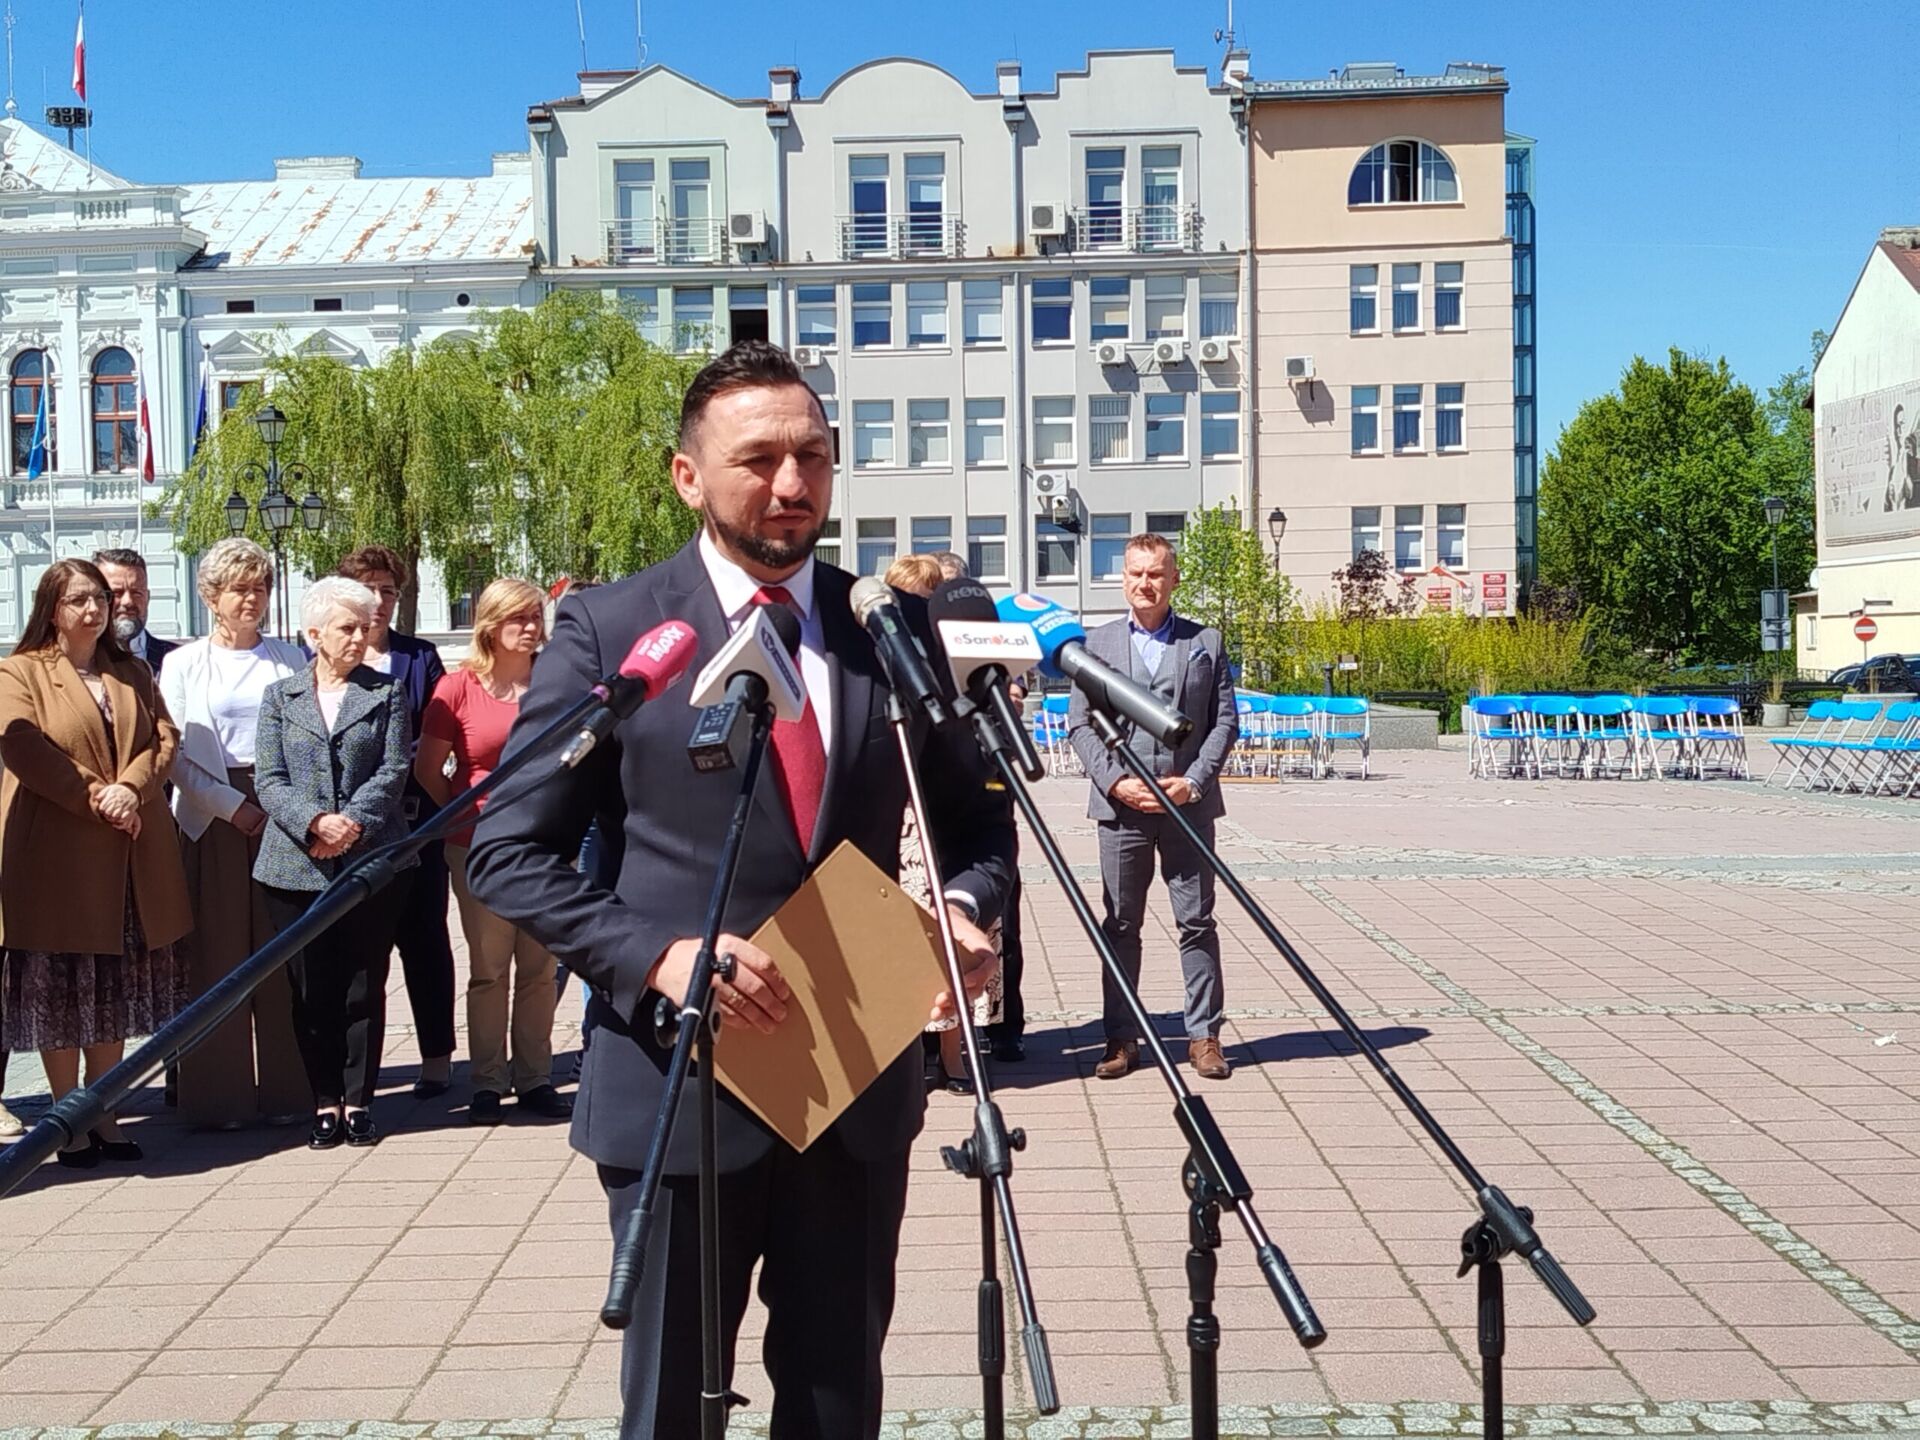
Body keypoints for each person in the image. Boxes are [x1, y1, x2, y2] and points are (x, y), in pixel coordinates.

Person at [467, 340, 1013, 1439]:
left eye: (812, 456)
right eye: (758, 459)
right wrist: (658, 957)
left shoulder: (888, 628)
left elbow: (978, 822)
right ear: (688, 476)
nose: (791, 482)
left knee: (837, 1403)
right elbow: (509, 851)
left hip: (854, 1080)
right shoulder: (612, 630)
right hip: (679, 1085)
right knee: (673, 1409)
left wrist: (963, 909)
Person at [0, 559, 193, 1167]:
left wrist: (131, 790)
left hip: (131, 853)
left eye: (101, 599)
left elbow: (163, 738)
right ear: (51, 608)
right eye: (79, 600)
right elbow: (25, 748)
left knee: (112, 986)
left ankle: (104, 1111)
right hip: (59, 856)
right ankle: (67, 1120)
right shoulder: (20, 671)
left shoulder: (131, 669)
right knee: (63, 989)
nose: (94, 610)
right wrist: (98, 798)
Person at [1067, 532, 1239, 1082]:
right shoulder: (1095, 644)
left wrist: (1194, 782)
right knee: (1120, 924)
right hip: (1123, 811)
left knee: (1197, 921)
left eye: (1156, 574)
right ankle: (1121, 1038)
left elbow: (1225, 722)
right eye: (1137, 573)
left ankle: (1204, 1036)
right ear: (1123, 578)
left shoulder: (1205, 641)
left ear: (1174, 579)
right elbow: (1079, 725)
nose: (1146, 583)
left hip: (1188, 808)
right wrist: (1116, 782)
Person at [252, 577, 413, 1150]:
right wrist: (315, 822)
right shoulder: (281, 697)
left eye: (365, 627)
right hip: (294, 867)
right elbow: (269, 778)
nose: (359, 637)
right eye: (347, 627)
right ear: (314, 634)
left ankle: (359, 1100)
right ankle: (324, 1101)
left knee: (363, 984)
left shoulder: (387, 692)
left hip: (369, 861)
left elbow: (393, 770)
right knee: (309, 988)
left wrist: (350, 826)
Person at [159, 537, 310, 1129]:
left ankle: (291, 1094)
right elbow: (172, 753)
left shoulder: (289, 659)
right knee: (215, 959)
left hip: (282, 814)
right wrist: (229, 806)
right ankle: (217, 1101)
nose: (253, 599)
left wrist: (281, 806)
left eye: (261, 587)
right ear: (211, 596)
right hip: (212, 819)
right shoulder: (183, 664)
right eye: (240, 589)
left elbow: (307, 737)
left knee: (282, 956)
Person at [415, 577, 570, 1125]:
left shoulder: (557, 680)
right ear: (490, 624)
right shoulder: (457, 687)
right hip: (478, 846)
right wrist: (463, 817)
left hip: (546, 842)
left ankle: (535, 1078)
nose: (530, 627)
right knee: (488, 967)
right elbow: (427, 770)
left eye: (535, 617)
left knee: (540, 966)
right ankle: (486, 1081)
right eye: (518, 618)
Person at [337, 545, 456, 1098]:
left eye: (388, 590)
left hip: (414, 819)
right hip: (349, 824)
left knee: (425, 937)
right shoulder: (328, 657)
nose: (380, 600)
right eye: (369, 590)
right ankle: (360, 1073)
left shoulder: (419, 657)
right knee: (361, 950)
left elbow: (434, 732)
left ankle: (436, 1059)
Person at [884, 552, 1001, 1095]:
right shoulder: (877, 665)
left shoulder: (960, 676)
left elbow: (988, 818)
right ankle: (908, 1055)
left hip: (946, 830)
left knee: (949, 941)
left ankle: (955, 1057)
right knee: (904, 942)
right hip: (896, 828)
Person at [93, 548, 177, 674]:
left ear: (147, 598)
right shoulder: (79, 662)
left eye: (136, 593)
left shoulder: (178, 660)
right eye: (117, 593)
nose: (128, 601)